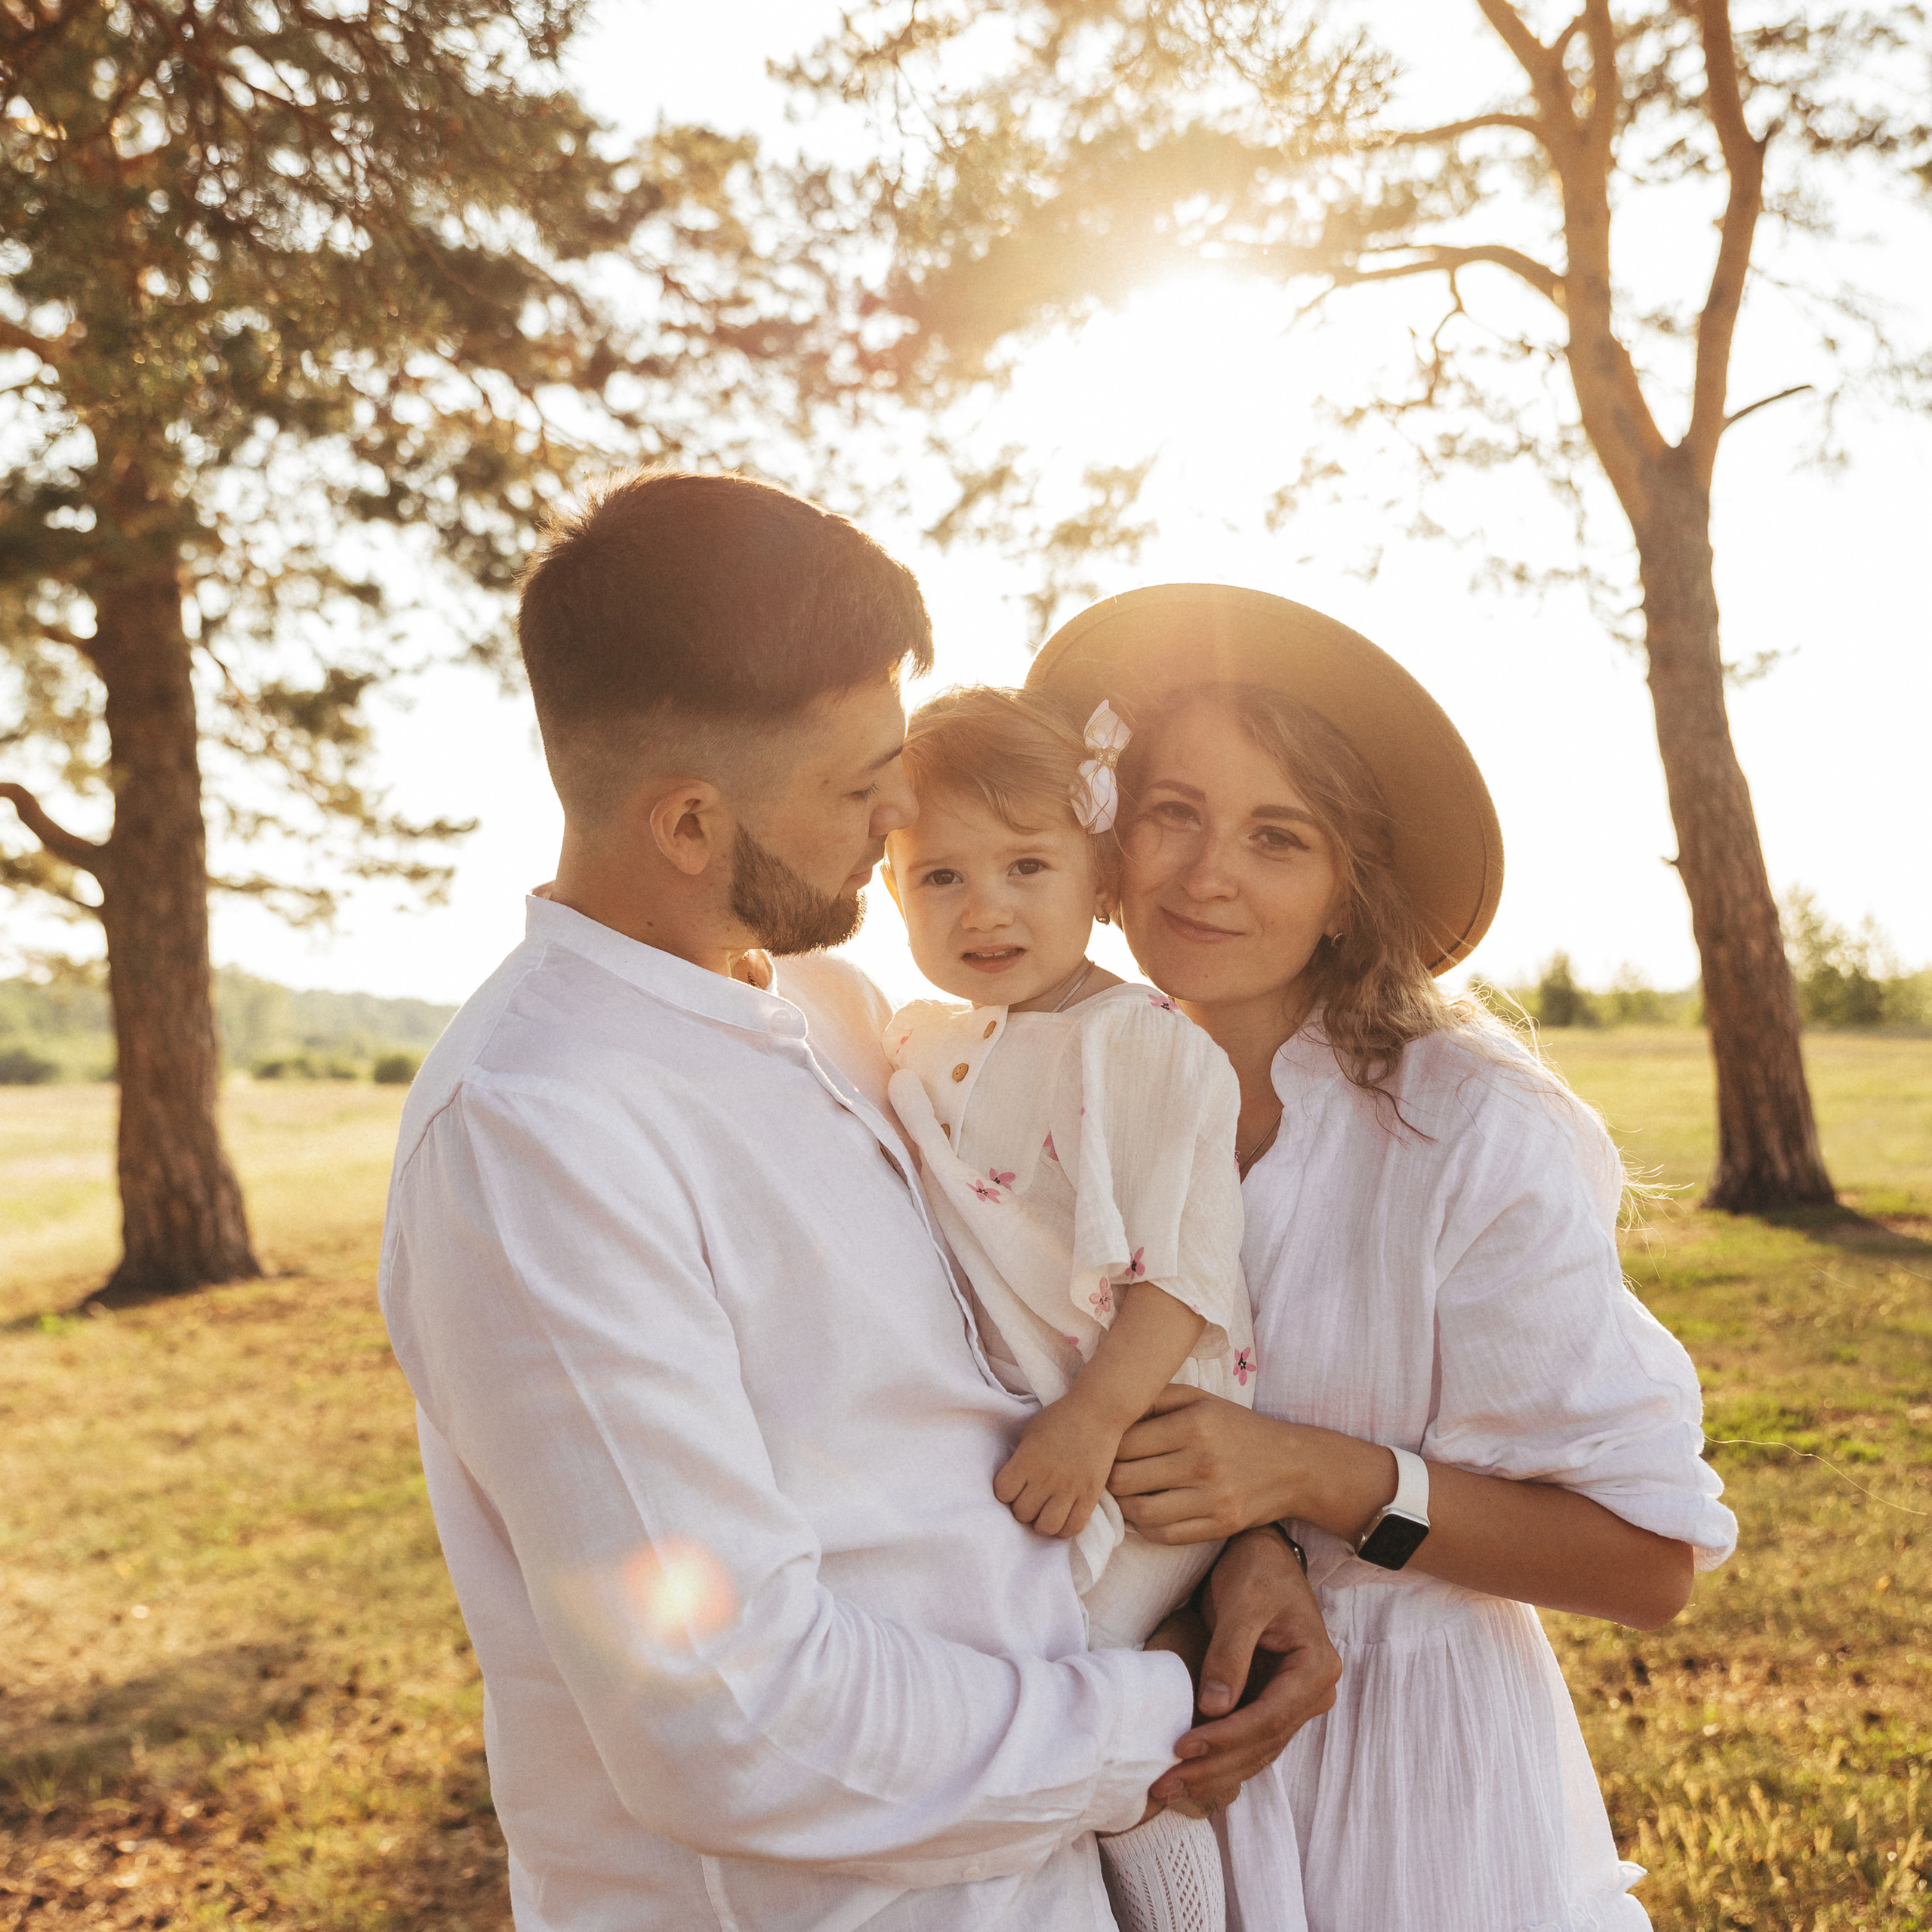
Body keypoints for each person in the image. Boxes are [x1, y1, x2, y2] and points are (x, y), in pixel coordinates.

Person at [377, 483, 1339, 1932]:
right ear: (690, 823)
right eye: (857, 788)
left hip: (1042, 1880)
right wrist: (1154, 1715)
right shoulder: (538, 1134)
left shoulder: (837, 1012)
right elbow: (733, 1720)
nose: (902, 815)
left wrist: (1228, 1547)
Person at [1022, 583, 1739, 1932]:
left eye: (1277, 837)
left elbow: (1649, 1566)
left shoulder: (1473, 1127)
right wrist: (1245, 1543)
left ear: (1348, 890)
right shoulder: (1054, 1097)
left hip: (1424, 1803)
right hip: (1147, 1776)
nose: (1207, 874)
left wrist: (1314, 1475)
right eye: (1173, 812)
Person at [879, 687, 1271, 1932]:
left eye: (1026, 867)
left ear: (1101, 876)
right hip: (1048, 1434)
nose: (983, 908)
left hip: (1140, 1442)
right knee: (1028, 1703)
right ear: (889, 888)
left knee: (1082, 1698)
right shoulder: (932, 1040)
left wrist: (1094, 1422)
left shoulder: (1138, 1042)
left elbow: (1184, 1271)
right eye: (940, 876)